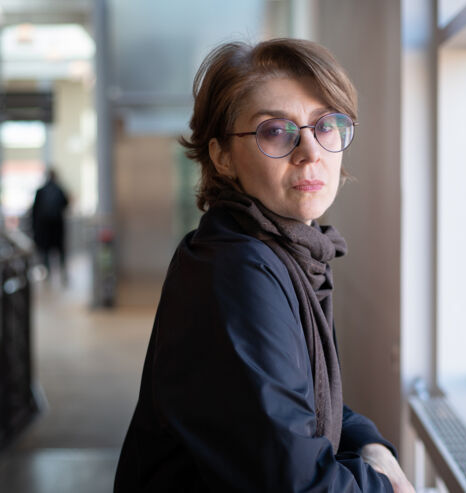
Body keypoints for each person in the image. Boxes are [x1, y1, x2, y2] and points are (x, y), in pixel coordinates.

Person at [114, 39, 414, 492]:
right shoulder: (236, 269)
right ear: (222, 157)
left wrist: (369, 443)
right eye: (276, 131)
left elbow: (298, 401)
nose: (310, 151)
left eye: (327, 125)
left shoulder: (288, 250)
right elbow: (297, 484)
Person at [31, 168, 69, 279]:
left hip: (45, 227)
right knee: (59, 249)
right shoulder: (59, 190)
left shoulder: (41, 191)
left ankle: (47, 272)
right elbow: (66, 204)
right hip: (57, 226)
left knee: (46, 250)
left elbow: (35, 211)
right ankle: (62, 270)